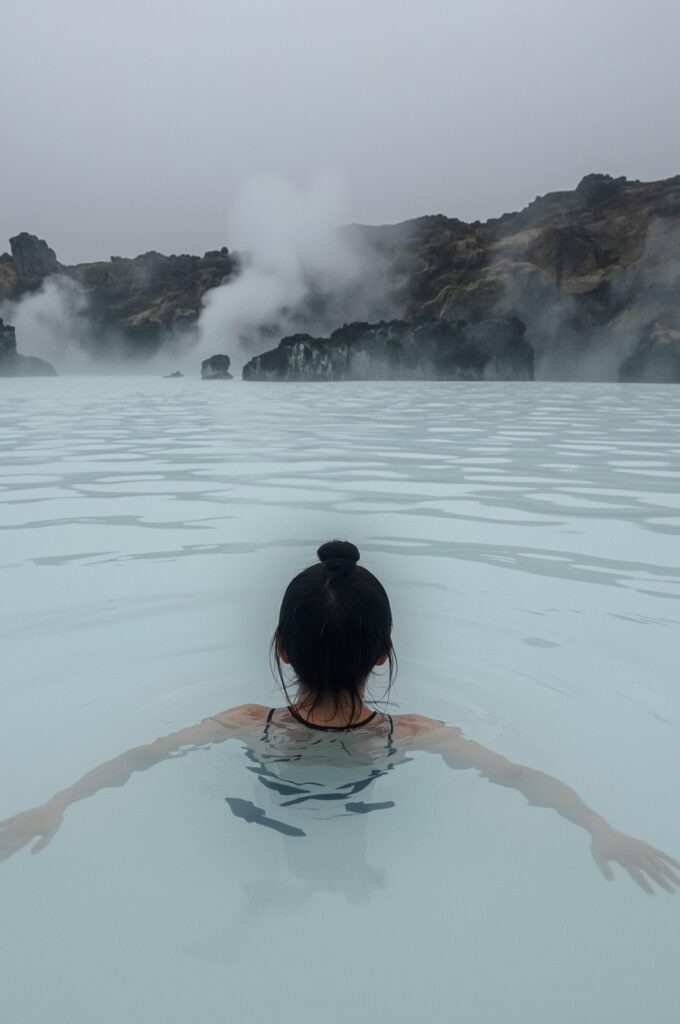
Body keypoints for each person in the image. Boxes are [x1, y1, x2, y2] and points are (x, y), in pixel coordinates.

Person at [1, 540, 678, 895]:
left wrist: (55, 803)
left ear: (282, 649)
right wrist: (600, 826)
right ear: (384, 654)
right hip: (364, 807)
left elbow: (139, 759)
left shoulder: (244, 721)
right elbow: (520, 777)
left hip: (264, 807)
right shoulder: (413, 733)